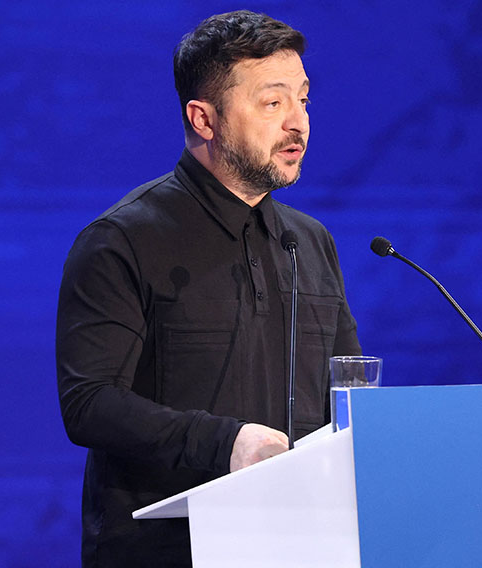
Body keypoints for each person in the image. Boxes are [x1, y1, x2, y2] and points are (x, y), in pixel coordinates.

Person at [55, 11, 361, 567]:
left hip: (305, 545)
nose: (298, 123)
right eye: (273, 103)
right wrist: (227, 443)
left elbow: (349, 390)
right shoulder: (123, 240)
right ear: (204, 118)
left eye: (303, 100)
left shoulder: (310, 242)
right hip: (170, 551)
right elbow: (89, 403)